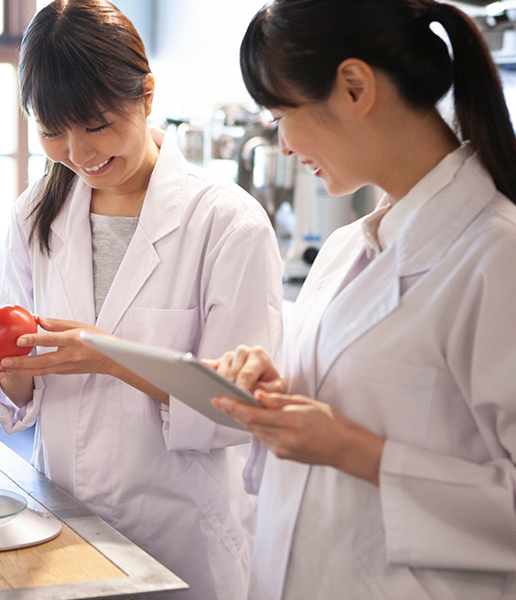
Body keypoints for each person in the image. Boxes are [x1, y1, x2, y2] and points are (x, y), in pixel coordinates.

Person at [0, 2, 283, 598]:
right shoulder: (37, 214)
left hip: (184, 537)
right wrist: (4, 369)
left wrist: (107, 355)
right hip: (62, 527)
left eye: (95, 124)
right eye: (51, 130)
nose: (79, 152)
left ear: (146, 94)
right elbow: (22, 397)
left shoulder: (225, 222)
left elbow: (237, 408)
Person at [208, 1, 516, 599]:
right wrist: (279, 390)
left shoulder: (496, 257)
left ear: (354, 86)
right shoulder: (349, 247)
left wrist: (356, 452)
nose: (285, 142)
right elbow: (349, 403)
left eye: (281, 114)